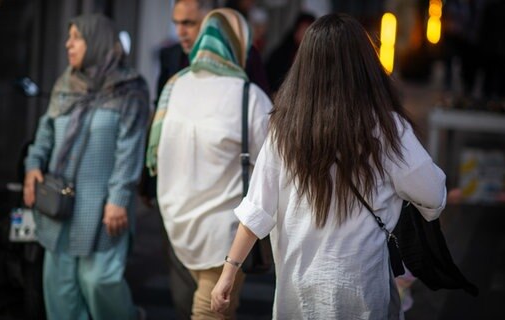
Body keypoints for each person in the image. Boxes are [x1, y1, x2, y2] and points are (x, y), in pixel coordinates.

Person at [211, 13, 447, 319]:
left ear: (305, 66)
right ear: (365, 65)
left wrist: (228, 272)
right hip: (362, 291)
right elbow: (432, 195)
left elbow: (258, 209)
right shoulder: (389, 129)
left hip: (298, 293)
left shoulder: (284, 128)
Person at [146, 8, 272, 319]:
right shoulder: (249, 96)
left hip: (176, 224)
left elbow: (158, 153)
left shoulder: (174, 86)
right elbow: (274, 167)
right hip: (224, 237)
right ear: (239, 44)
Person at [23, 14, 149, 320]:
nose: (68, 43)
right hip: (59, 203)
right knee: (60, 290)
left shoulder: (130, 89)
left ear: (96, 41)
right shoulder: (65, 84)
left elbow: (130, 149)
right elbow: (45, 132)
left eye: (76, 37)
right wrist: (32, 166)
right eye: (68, 36)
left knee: (99, 282)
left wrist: (118, 200)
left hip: (103, 207)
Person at [265, 12, 315, 92]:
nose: (305, 36)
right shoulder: (281, 55)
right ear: (296, 32)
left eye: (308, 32)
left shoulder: (319, 57)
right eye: (303, 30)